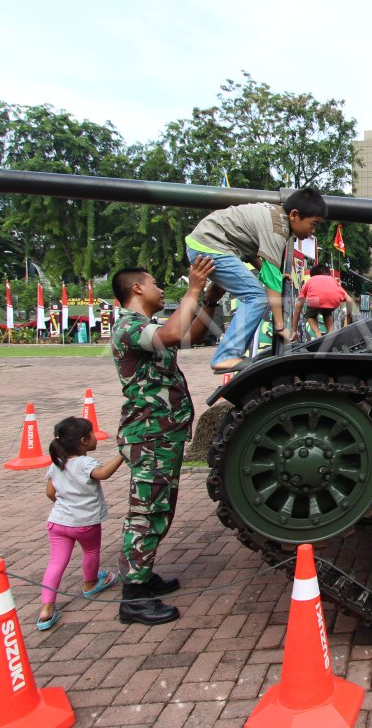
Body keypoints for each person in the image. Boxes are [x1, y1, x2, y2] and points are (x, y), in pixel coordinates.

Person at [110, 255, 223, 625]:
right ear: (137, 288)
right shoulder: (128, 327)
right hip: (150, 435)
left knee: (159, 508)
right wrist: (192, 288)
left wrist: (209, 300)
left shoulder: (147, 326)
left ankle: (143, 577)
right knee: (146, 512)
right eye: (155, 283)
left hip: (161, 433)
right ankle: (134, 597)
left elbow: (192, 336)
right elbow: (175, 334)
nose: (161, 289)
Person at [185, 189, 328, 371]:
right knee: (256, 296)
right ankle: (226, 356)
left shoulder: (276, 217)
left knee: (256, 293)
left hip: (208, 243)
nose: (312, 232)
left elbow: (252, 252)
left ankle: (230, 354)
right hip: (209, 246)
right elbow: (271, 280)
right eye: (313, 224)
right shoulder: (278, 228)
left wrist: (270, 271)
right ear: (294, 215)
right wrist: (279, 325)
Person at [37, 416, 126, 631]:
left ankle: (46, 610)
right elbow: (102, 474)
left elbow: (50, 492)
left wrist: (66, 507)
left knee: (56, 562)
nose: (96, 437)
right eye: (93, 434)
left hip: (58, 522)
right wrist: (123, 454)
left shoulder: (57, 463)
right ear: (84, 441)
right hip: (85, 523)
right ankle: (90, 583)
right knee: (91, 552)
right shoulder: (86, 463)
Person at [291, 264, 357, 339]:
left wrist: (294, 331)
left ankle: (318, 334)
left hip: (315, 301)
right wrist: (347, 320)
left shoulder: (310, 280)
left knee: (310, 315)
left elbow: (298, 306)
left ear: (312, 275)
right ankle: (331, 334)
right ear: (328, 274)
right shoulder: (333, 281)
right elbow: (350, 300)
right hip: (333, 302)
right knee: (327, 313)